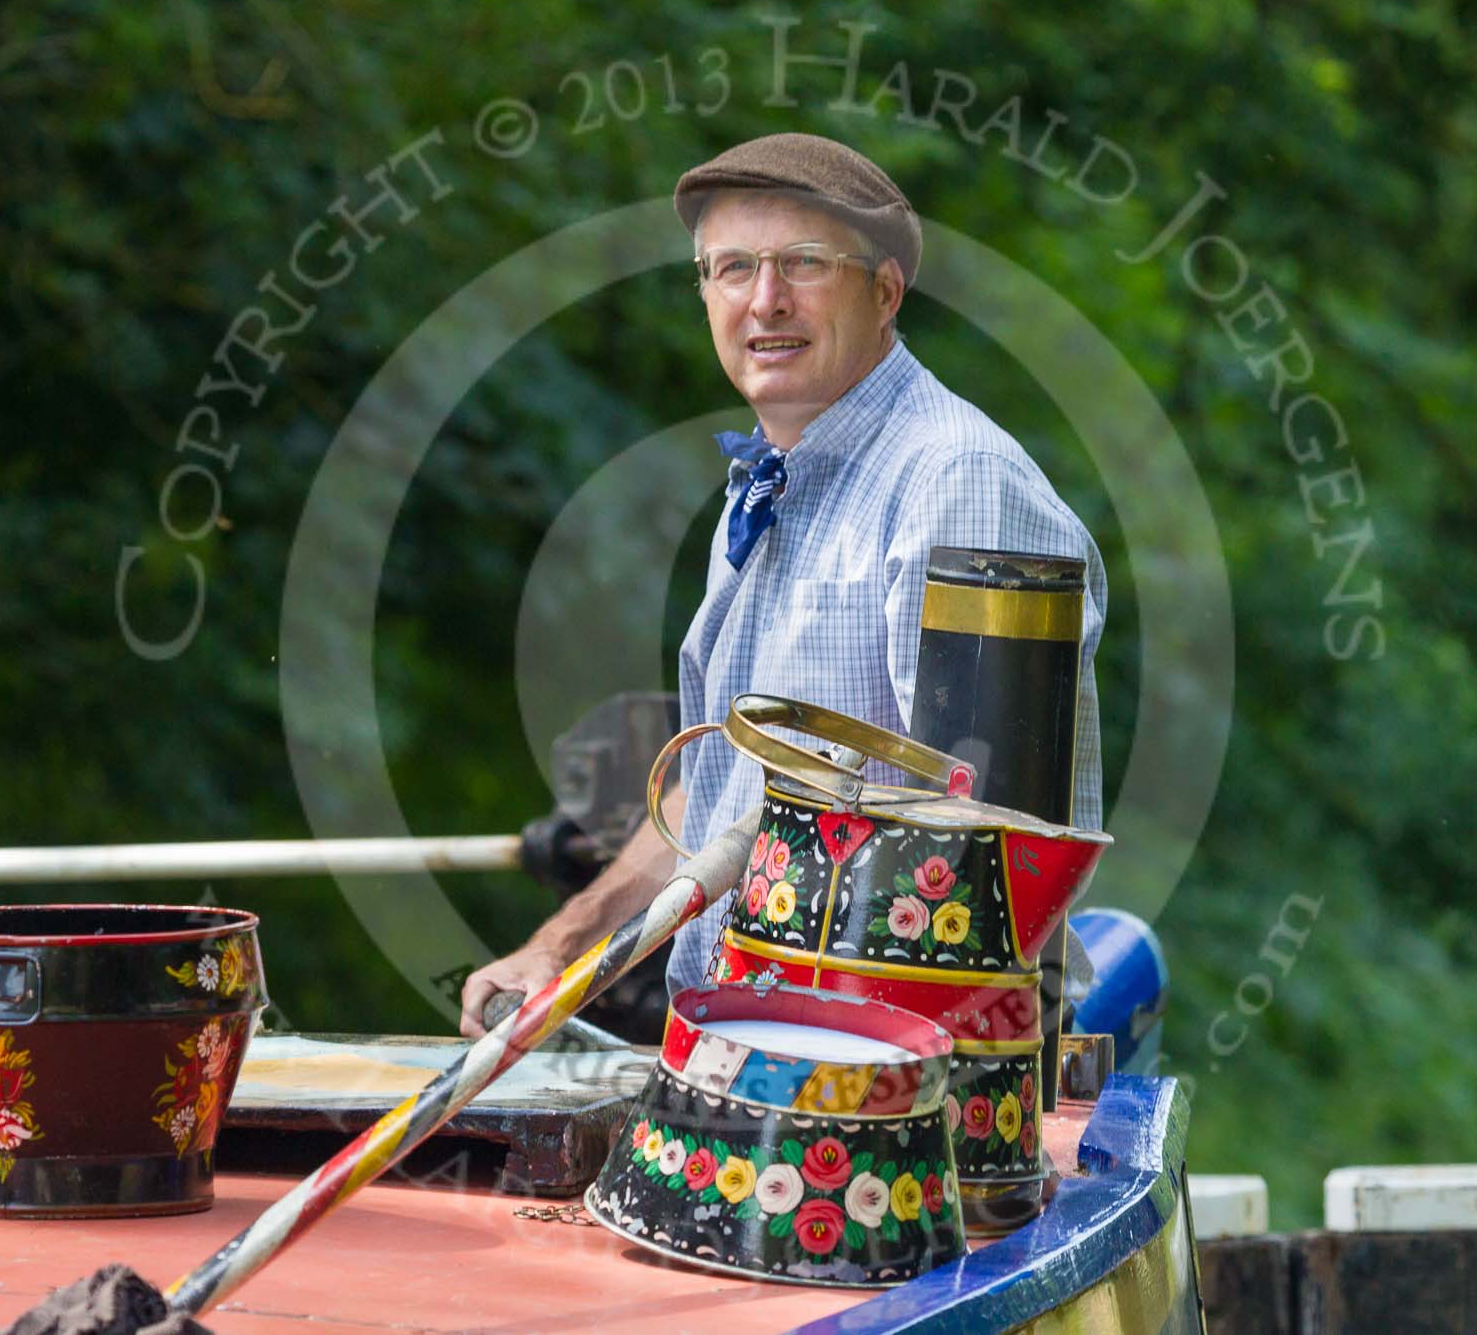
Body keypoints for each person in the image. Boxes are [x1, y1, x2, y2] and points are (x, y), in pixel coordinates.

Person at [458, 132, 1105, 1036]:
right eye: (730, 269)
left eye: (803, 263)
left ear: (884, 291)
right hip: (746, 1042)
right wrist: (562, 948)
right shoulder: (768, 482)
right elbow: (724, 787)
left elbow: (987, 845)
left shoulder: (954, 481)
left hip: (900, 1078)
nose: (764, 300)